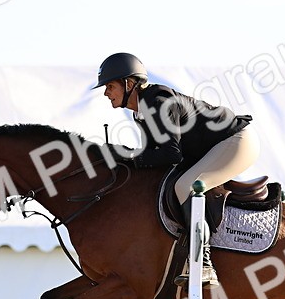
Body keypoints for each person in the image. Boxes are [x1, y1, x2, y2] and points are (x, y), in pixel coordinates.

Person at [94, 52, 259, 286]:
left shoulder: (157, 102)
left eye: (110, 86)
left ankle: (204, 264)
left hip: (237, 140)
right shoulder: (140, 112)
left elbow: (170, 154)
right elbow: (153, 159)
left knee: (186, 186)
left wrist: (125, 155)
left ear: (129, 83)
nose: (106, 93)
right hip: (214, 146)